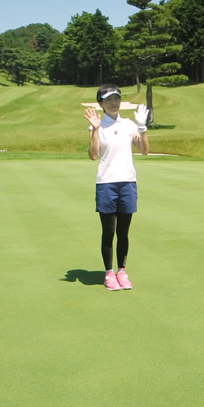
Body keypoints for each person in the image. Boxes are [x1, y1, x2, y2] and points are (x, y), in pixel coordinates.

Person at [84, 84, 149, 291]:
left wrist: (142, 128)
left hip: (127, 183)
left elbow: (144, 150)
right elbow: (93, 154)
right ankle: (108, 273)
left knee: (123, 232)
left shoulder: (130, 125)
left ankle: (122, 271)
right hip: (106, 184)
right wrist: (94, 130)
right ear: (101, 104)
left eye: (117, 98)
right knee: (108, 232)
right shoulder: (98, 125)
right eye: (109, 99)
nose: (114, 102)